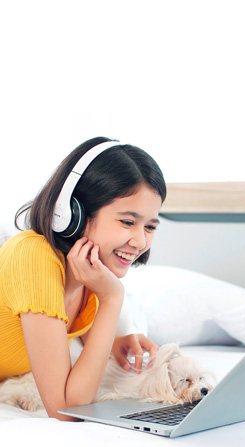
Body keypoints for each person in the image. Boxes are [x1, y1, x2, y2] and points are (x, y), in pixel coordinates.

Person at [0, 136, 166, 420]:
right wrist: (112, 298)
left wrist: (115, 344)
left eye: (150, 226)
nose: (140, 241)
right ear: (73, 214)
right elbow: (67, 410)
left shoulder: (89, 271)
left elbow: (81, 336)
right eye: (128, 221)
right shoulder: (34, 257)